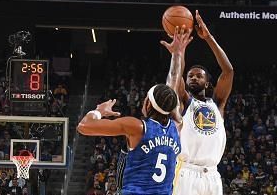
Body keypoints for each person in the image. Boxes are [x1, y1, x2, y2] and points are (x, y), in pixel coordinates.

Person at [78, 27, 192, 195]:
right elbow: (173, 84)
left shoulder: (137, 127)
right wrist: (177, 54)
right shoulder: (177, 126)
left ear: (148, 104)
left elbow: (84, 126)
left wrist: (98, 111)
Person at [162, 10, 234, 195]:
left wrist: (208, 37)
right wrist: (179, 52)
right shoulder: (185, 101)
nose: (193, 78)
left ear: (208, 82)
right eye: (190, 76)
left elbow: (228, 71)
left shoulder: (217, 104)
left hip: (212, 174)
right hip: (187, 172)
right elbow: (174, 77)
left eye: (199, 76)